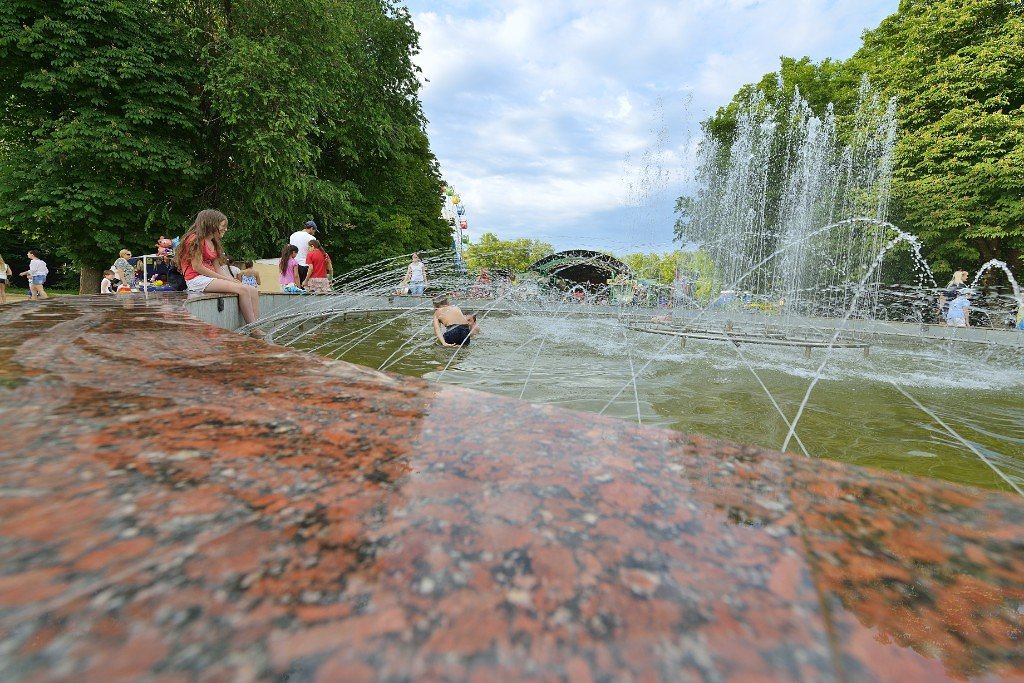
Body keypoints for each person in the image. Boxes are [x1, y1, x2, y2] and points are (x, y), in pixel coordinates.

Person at [177, 209, 263, 335]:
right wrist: (226, 280)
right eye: (223, 226)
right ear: (211, 224)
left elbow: (218, 268)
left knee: (252, 289)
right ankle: (253, 329)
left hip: (209, 279)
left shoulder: (213, 242)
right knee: (243, 290)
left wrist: (231, 279)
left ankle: (257, 324)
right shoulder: (195, 239)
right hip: (196, 279)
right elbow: (197, 267)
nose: (225, 229)